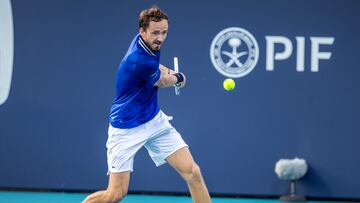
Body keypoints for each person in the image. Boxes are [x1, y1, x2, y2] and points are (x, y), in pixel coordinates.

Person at [82, 6, 211, 203]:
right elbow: (162, 80)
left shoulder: (147, 44)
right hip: (126, 128)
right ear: (142, 31)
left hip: (154, 121)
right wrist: (179, 77)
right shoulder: (137, 59)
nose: (160, 37)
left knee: (193, 172)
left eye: (164, 32)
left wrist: (170, 73)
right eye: (155, 33)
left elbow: (157, 68)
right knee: (115, 194)